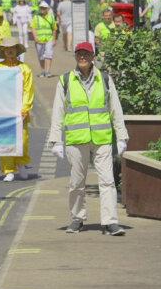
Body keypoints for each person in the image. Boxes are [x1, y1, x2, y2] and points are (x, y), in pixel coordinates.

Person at [47, 42, 128, 236]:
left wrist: (121, 136)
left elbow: (115, 109)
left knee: (107, 181)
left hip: (102, 138)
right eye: (79, 54)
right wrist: (56, 140)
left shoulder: (105, 79)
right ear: (75, 56)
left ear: (93, 57)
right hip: (76, 139)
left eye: (86, 54)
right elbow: (58, 112)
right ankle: (77, 219)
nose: (82, 57)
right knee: (76, 182)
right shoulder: (66, 80)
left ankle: (110, 222)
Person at [0, 38, 33, 181]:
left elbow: (28, 90)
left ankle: (21, 164)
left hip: (20, 110)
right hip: (4, 109)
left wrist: (25, 108)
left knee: (23, 139)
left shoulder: (25, 68)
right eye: (7, 48)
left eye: (12, 48)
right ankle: (8, 170)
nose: (9, 51)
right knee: (6, 140)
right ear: (3, 51)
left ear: (17, 50)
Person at [31, 1, 57, 78]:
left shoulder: (51, 17)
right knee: (41, 56)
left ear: (47, 9)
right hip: (39, 40)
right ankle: (43, 71)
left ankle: (47, 71)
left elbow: (54, 29)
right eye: (41, 8)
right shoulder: (36, 17)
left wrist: (54, 39)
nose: (42, 9)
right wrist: (35, 38)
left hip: (49, 39)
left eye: (44, 8)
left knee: (48, 55)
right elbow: (33, 28)